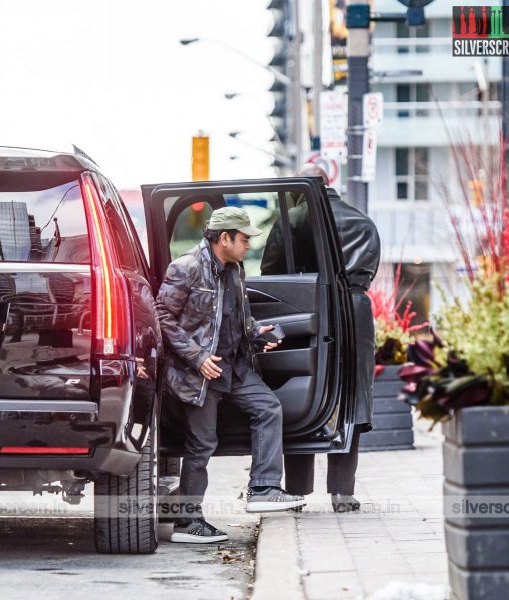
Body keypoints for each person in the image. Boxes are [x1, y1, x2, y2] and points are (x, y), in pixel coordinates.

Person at [156, 206, 306, 544]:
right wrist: (197, 357)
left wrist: (255, 334)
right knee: (201, 445)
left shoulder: (234, 270)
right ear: (224, 238)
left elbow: (234, 317)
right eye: (243, 239)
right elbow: (162, 316)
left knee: (268, 408)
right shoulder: (186, 268)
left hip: (235, 367)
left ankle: (264, 488)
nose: (249, 244)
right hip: (200, 373)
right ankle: (187, 523)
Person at [261, 164, 381, 513]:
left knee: (301, 392)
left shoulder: (291, 219)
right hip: (356, 314)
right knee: (354, 397)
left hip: (306, 307)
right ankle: (343, 492)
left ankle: (297, 491)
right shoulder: (362, 221)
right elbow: (369, 271)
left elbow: (271, 271)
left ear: (303, 186)